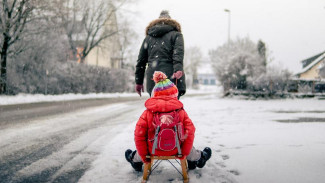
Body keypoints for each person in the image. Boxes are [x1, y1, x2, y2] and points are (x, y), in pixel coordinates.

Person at [125, 71, 211, 171]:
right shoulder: (180, 112)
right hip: (176, 149)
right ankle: (199, 158)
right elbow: (190, 132)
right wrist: (184, 153)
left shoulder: (148, 113)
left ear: (154, 95)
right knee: (187, 145)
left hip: (153, 150)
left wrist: (144, 156)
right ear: (175, 95)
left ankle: (134, 160)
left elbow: (139, 135)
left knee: (143, 146)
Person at [135, 10, 186, 99]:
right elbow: (178, 54)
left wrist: (139, 82)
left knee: (155, 108)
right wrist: (178, 69)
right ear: (170, 21)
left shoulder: (148, 38)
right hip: (171, 76)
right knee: (172, 108)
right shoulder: (176, 35)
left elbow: (141, 62)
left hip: (153, 78)